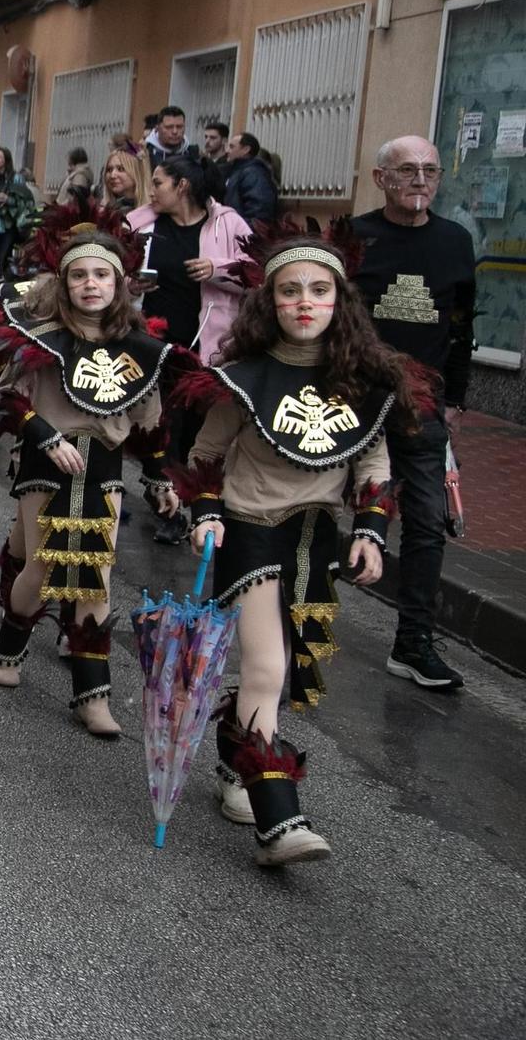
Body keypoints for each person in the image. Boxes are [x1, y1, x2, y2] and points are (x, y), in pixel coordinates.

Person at [172, 230, 416, 866]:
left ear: (340, 300)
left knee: (279, 675)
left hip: (316, 539)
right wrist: (203, 514)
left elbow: (373, 461)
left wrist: (369, 529)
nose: (304, 302)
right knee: (266, 668)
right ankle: (279, 821)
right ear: (270, 302)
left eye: (318, 290)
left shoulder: (364, 379)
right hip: (250, 529)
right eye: (289, 291)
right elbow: (203, 455)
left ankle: (235, 769)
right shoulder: (244, 378)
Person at [0, 205, 178, 738]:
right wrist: (46, 435)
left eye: (102, 274)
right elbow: (10, 399)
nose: (92, 284)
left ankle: (93, 694)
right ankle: (12, 639)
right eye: (80, 275)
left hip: (104, 467)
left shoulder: (143, 348)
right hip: (46, 462)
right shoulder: (39, 337)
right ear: (64, 283)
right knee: (42, 567)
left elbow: (150, 422)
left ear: (119, 282)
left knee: (95, 575)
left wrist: (159, 479)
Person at [353, 135, 477, 691]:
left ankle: (413, 644)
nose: (421, 181)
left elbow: (461, 327)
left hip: (420, 404)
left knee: (427, 522)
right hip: (351, 396)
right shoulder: (355, 237)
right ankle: (287, 615)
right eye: (408, 170)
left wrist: (454, 400)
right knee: (311, 500)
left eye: (431, 170)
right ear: (381, 179)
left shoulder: (454, 241)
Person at [127, 153, 252, 543]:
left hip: (208, 347)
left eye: (159, 182)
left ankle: (195, 503)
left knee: (197, 429)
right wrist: (132, 285)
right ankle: (168, 505)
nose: (152, 190)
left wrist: (217, 270)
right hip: (152, 342)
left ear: (181, 186)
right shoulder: (142, 222)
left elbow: (255, 273)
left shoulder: (227, 222)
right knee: (160, 425)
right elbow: (116, 271)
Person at [0, 145, 37, 274]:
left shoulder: (16, 178)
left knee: (1, 257)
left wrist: (8, 200)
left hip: (8, 225)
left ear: (6, 160)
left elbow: (25, 201)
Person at [220, 131, 278, 227]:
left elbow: (259, 213)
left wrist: (240, 232)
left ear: (246, 149)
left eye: (232, 147)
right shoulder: (237, 171)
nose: (227, 151)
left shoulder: (254, 173)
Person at [95, 146, 143, 213]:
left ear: (136, 173)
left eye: (121, 169)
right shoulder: (101, 212)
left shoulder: (149, 213)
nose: (112, 175)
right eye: (109, 170)